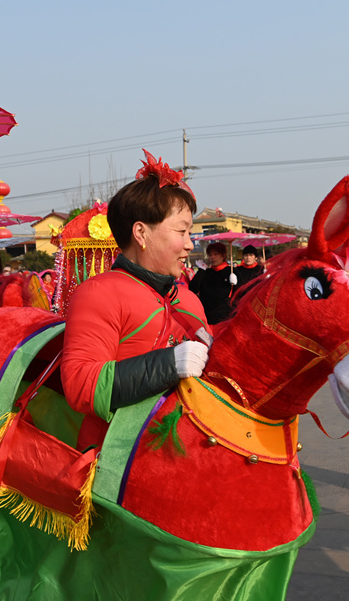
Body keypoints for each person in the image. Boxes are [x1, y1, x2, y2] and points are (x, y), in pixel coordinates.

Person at [61, 150, 211, 451]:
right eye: (181, 231)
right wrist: (168, 364)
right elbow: (80, 384)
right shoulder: (99, 293)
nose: (189, 244)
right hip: (121, 465)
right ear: (141, 233)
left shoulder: (189, 299)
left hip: (193, 456)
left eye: (190, 232)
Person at [189, 241, 237, 324]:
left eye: (216, 254)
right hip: (208, 317)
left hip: (227, 316)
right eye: (210, 255)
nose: (212, 257)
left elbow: (242, 292)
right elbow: (193, 289)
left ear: (223, 255)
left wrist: (236, 284)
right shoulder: (206, 272)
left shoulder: (232, 272)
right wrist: (201, 271)